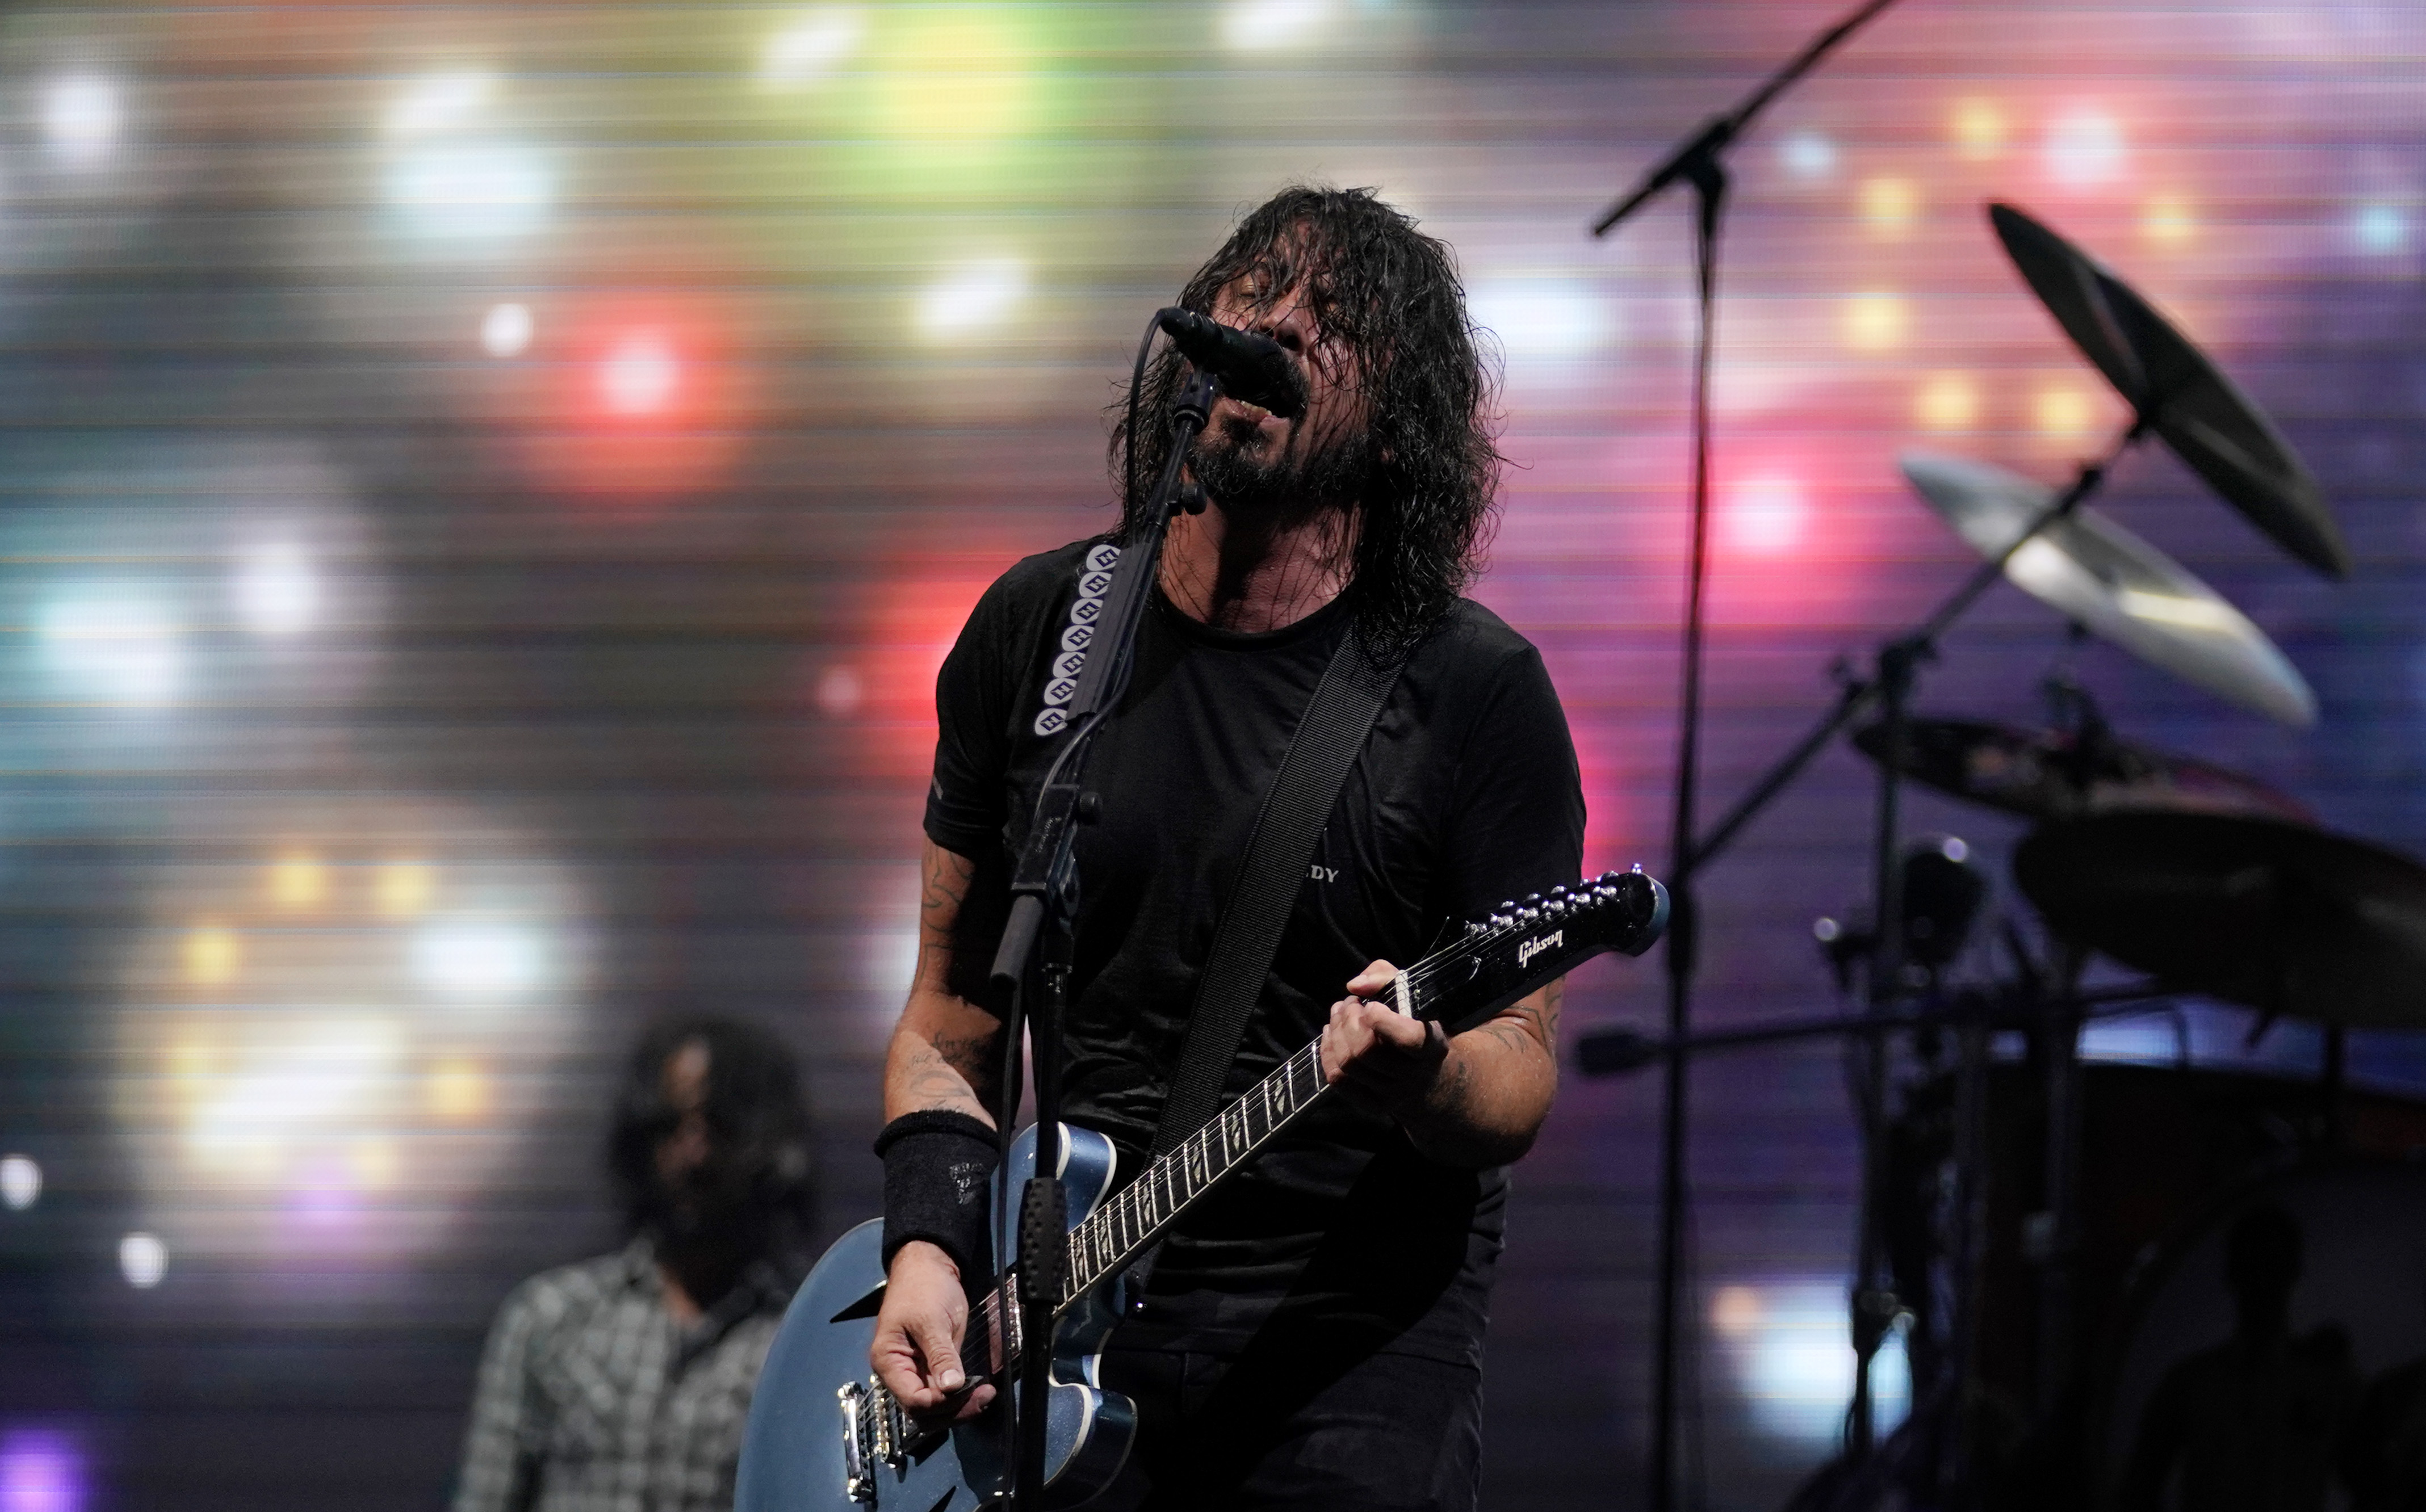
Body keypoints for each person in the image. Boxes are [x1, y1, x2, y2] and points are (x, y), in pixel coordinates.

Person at [870, 184, 1587, 1511]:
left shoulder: (1472, 694)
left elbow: (1519, 1071)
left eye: (1333, 324)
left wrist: (1421, 1075)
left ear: (1397, 426)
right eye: (1251, 295)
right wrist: (926, 1241)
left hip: (1346, 1351)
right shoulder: (1045, 632)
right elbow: (947, 1020)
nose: (1271, 327)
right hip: (1059, 1322)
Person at [455, 1018, 816, 1512]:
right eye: (669, 1126)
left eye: (722, 1126)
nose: (695, 1154)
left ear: (771, 1143)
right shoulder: (551, 1316)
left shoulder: (804, 1336)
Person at [2118, 1203, 2360, 1512]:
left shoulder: (2325, 1380)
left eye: (2272, 1264)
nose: (2263, 1280)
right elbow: (2138, 1487)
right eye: (2254, 1264)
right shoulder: (2192, 1383)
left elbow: (2370, 1479)